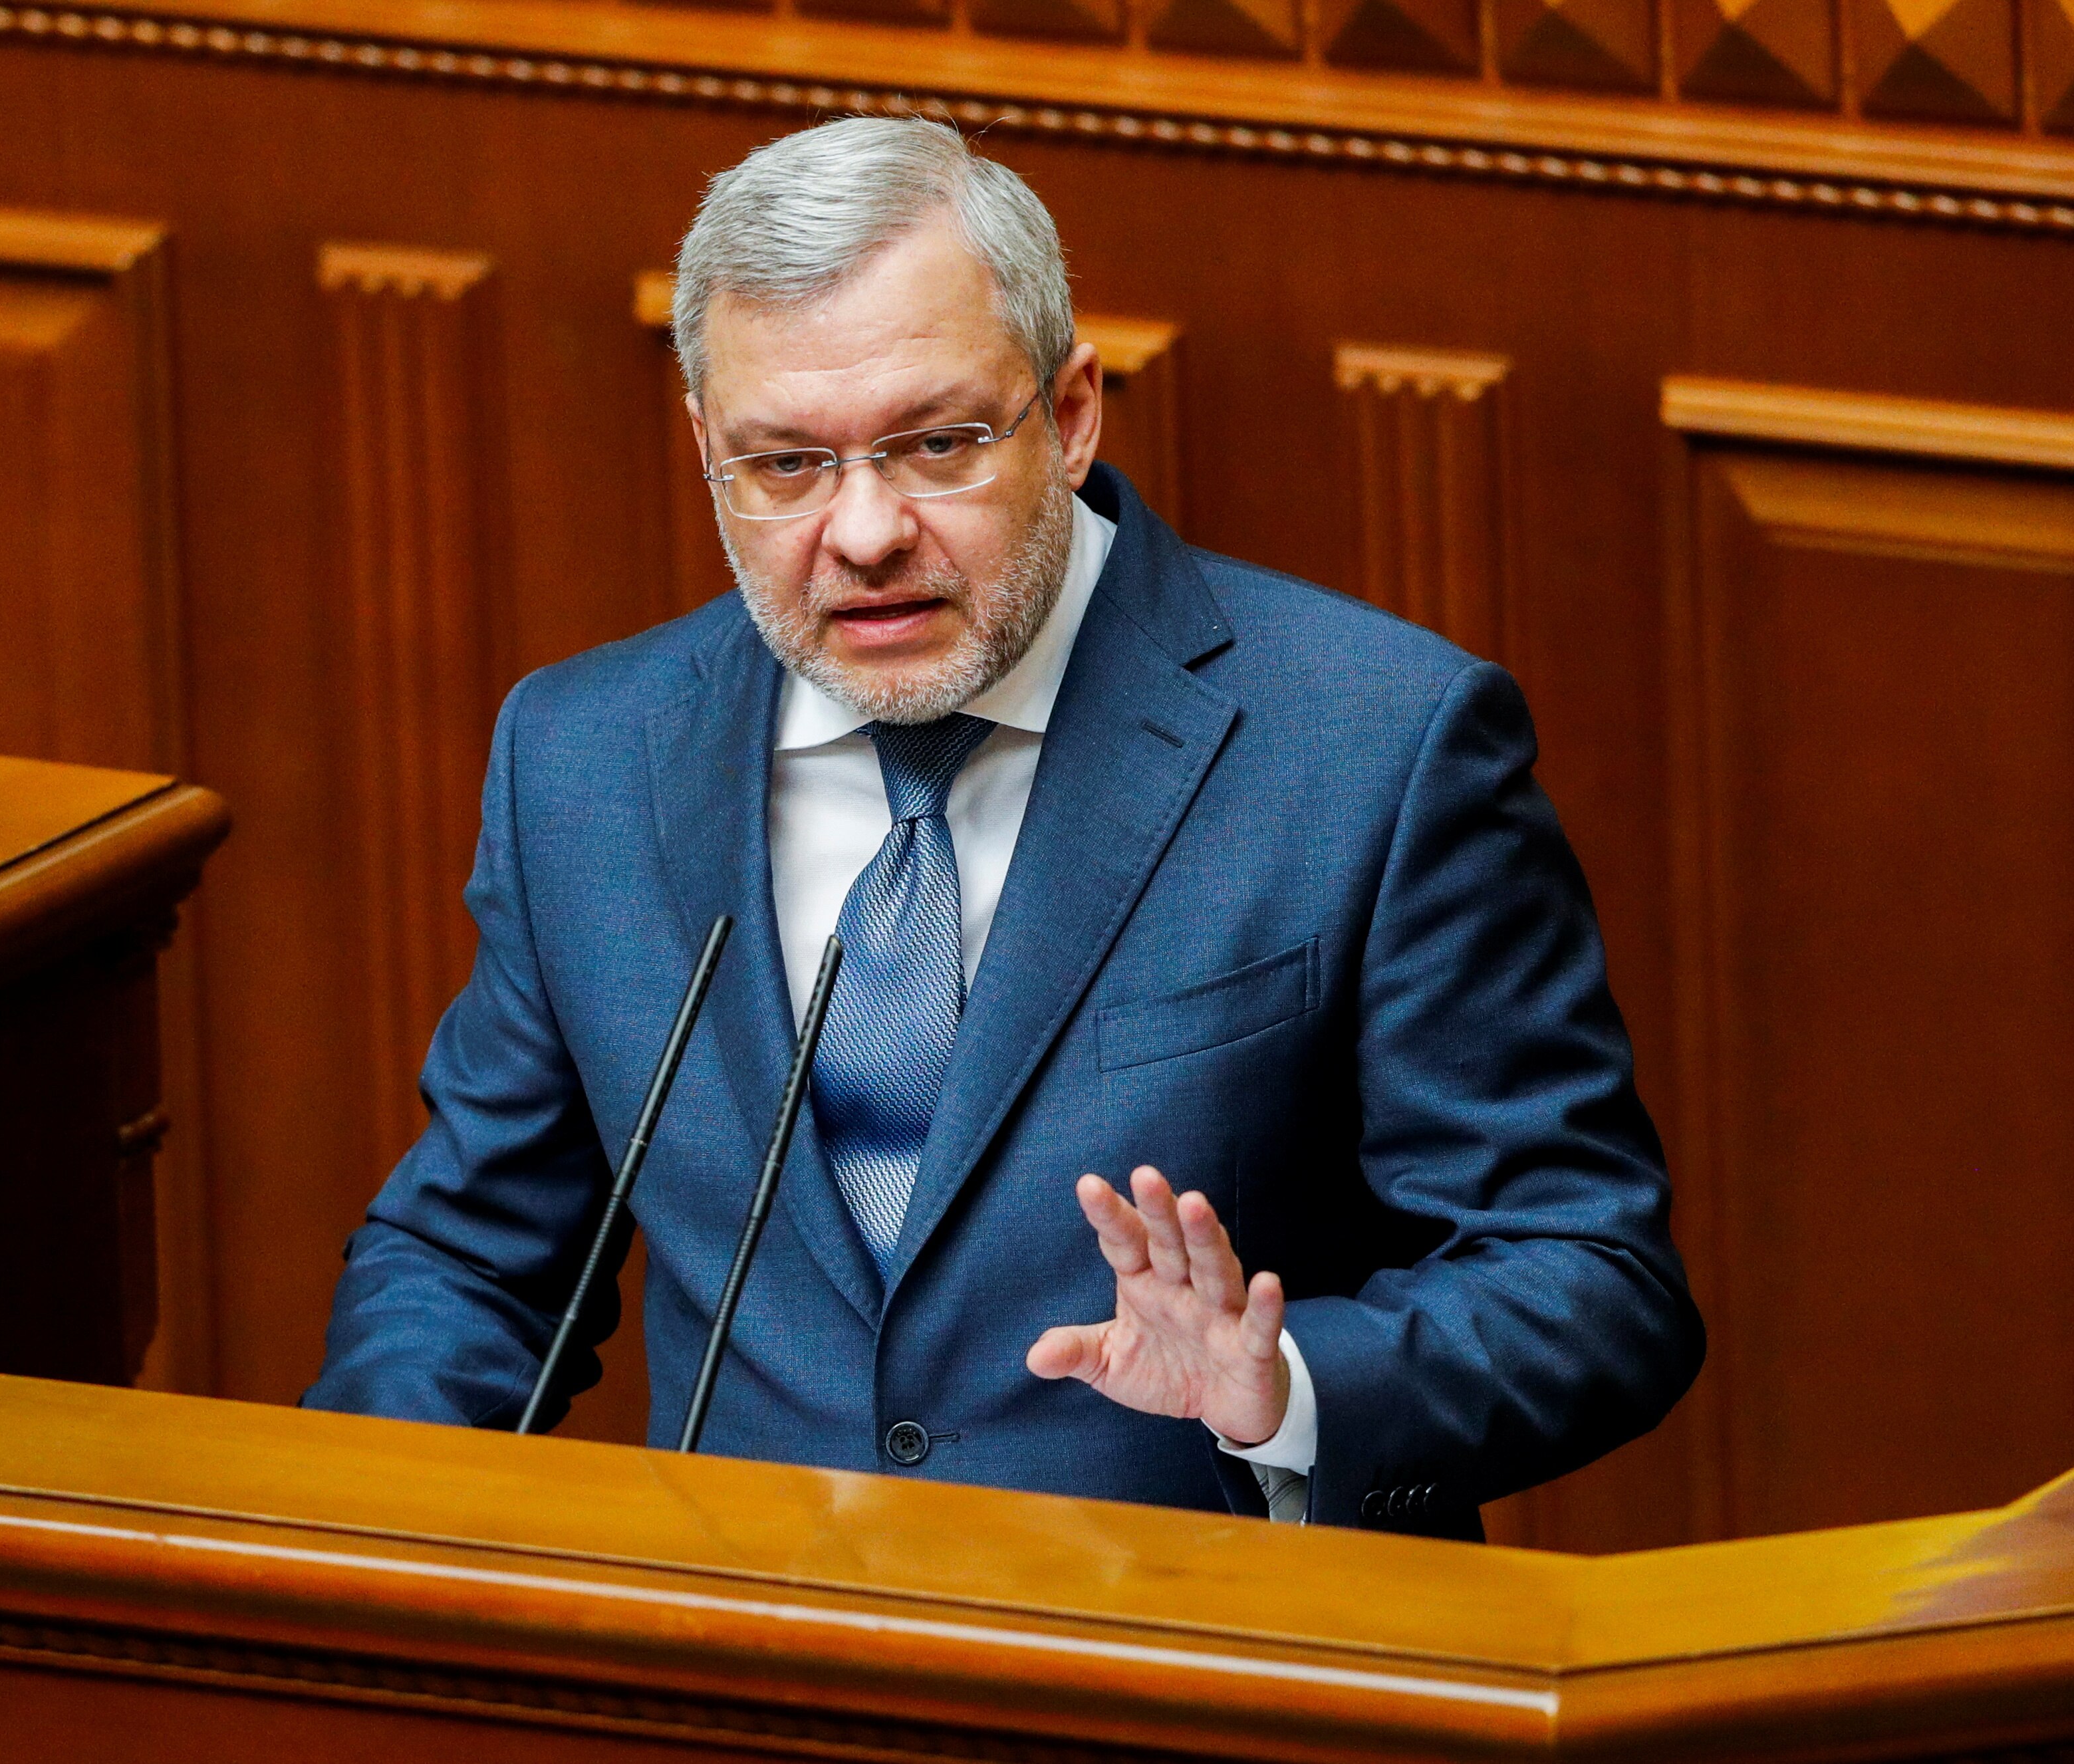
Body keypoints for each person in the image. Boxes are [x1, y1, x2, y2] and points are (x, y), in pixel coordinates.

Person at [304, 116, 1704, 1537]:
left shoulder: (1377, 745)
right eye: (785, 464)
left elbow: (1591, 1279)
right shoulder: (585, 759)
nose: (863, 533)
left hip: (1197, 1638)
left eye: (937, 444)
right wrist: (359, 1554)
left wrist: (1280, 1390)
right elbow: (471, 1258)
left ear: (1072, 412)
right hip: (744, 1639)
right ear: (706, 448)